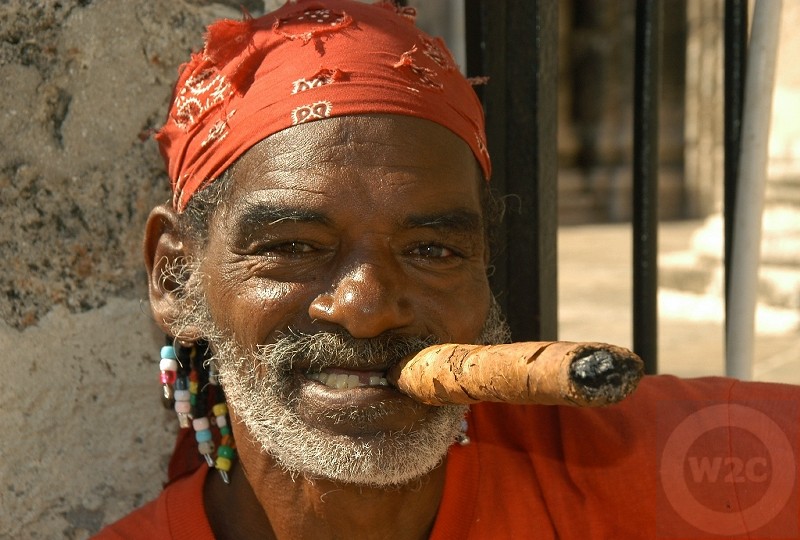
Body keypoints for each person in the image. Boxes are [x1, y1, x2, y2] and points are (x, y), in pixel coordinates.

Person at [97, 1, 800, 538]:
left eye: (432, 250)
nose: (368, 307)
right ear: (176, 278)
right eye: (295, 247)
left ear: (483, 271)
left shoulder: (633, 464)